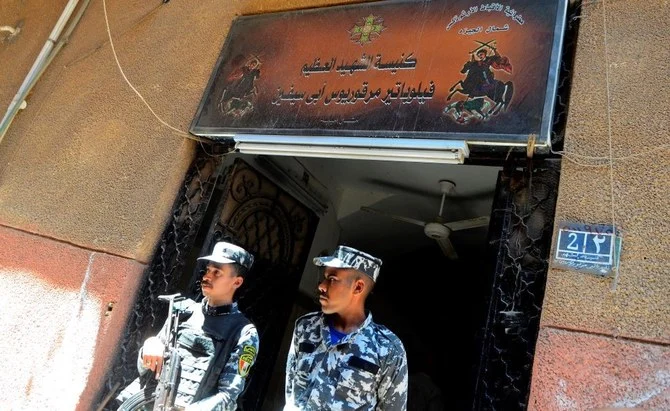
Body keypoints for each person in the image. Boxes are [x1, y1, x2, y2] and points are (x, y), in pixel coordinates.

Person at [114, 241, 260, 411]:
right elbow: (145, 368)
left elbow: (228, 397)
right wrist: (150, 346)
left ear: (237, 282)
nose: (207, 276)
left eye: (217, 273)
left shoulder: (244, 333)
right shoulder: (183, 312)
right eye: (207, 270)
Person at [284, 245, 408, 410]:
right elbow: (290, 391)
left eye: (332, 279)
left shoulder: (388, 349)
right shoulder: (306, 327)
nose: (321, 285)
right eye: (324, 277)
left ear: (358, 287)